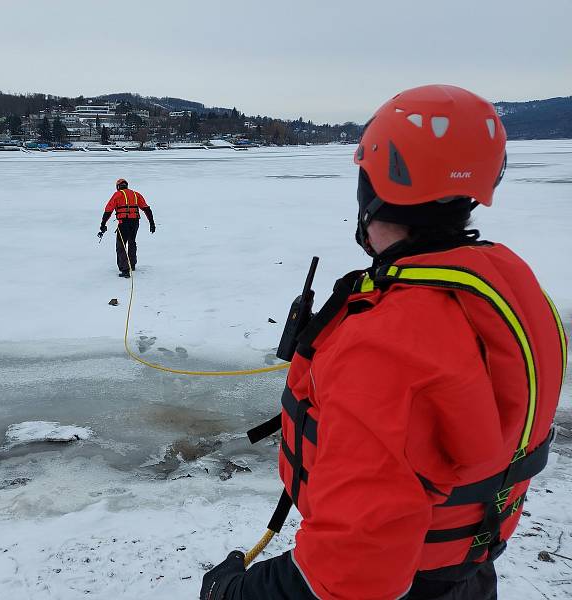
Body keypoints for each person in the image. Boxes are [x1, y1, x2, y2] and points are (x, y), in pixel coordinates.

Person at [201, 85, 567, 600]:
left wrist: (236, 594)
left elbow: (353, 574)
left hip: (407, 581)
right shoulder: (510, 288)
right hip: (467, 569)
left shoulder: (383, 344)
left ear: (371, 190)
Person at [99, 178, 156, 277]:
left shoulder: (117, 195)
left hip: (123, 222)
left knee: (121, 245)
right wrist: (152, 223)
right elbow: (147, 209)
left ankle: (125, 270)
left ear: (118, 187)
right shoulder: (136, 194)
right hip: (135, 222)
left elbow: (108, 210)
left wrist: (103, 224)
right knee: (132, 241)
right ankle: (132, 265)